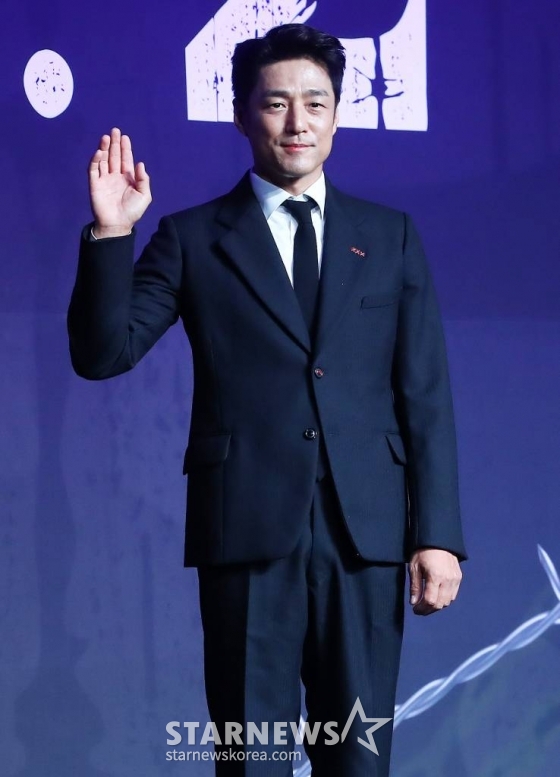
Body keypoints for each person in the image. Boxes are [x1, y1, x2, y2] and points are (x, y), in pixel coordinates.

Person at [68, 23, 467, 777]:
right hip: (246, 530)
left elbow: (425, 393)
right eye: (276, 103)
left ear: (337, 115)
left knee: (359, 760)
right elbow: (102, 353)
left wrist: (437, 534)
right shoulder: (192, 238)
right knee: (252, 756)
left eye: (316, 103)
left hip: (364, 535)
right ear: (242, 115)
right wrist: (111, 234)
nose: (297, 122)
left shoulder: (389, 237)